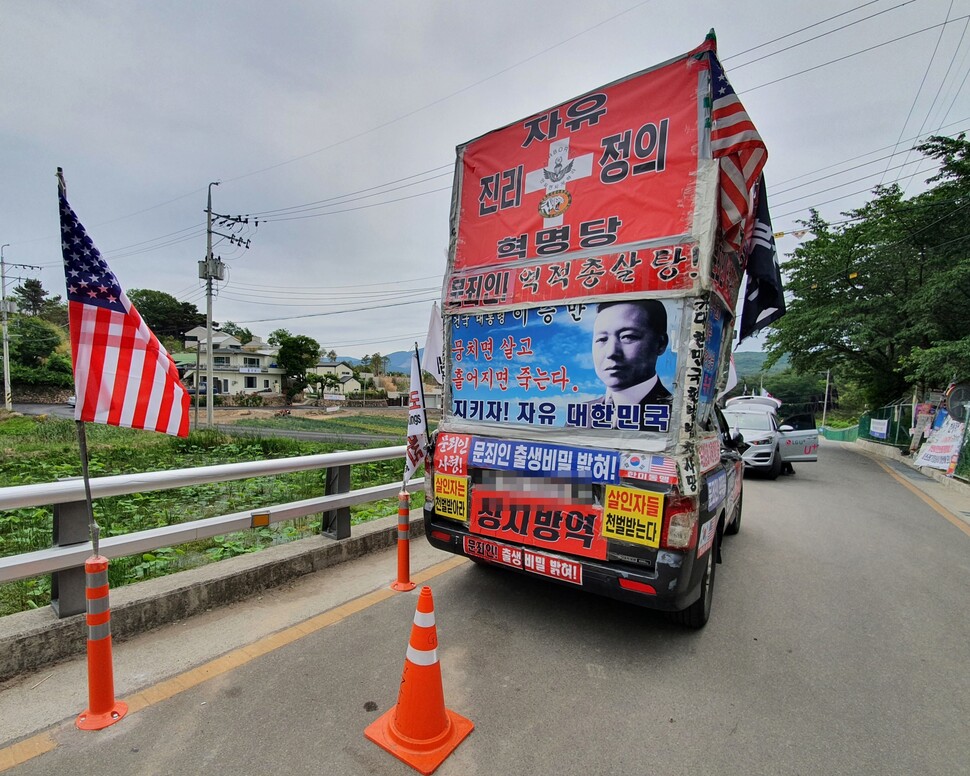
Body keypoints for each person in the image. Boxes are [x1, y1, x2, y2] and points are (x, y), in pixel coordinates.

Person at [587, 300, 671, 428]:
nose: (611, 352)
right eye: (602, 339)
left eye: (627, 337)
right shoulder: (580, 415)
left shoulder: (677, 417)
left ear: (660, 343)